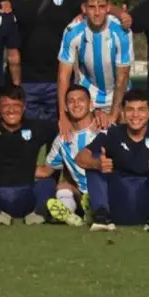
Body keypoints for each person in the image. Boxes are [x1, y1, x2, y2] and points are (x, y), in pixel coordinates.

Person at [75, 90, 149, 231]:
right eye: (130, 110)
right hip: (118, 202)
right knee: (94, 163)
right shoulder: (112, 134)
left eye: (141, 110)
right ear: (122, 113)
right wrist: (97, 164)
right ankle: (101, 217)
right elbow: (80, 157)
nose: (135, 115)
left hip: (148, 202)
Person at [0, 0, 85, 121]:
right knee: (24, 139)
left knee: (59, 135)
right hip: (24, 81)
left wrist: (121, 15)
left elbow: (99, 4)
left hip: (59, 81)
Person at [0, 84, 65, 226]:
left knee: (47, 184)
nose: (11, 110)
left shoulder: (37, 127)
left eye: (16, 105)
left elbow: (64, 135)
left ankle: (39, 212)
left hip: (26, 195)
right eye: (5, 105)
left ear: (24, 107)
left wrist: (50, 166)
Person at [57, 0, 132, 130]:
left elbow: (122, 77)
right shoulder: (72, 31)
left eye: (101, 6)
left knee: (122, 140)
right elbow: (63, 76)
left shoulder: (122, 32)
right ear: (84, 9)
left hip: (119, 94)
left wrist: (113, 115)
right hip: (89, 95)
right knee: (78, 138)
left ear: (108, 7)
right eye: (92, 7)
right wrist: (63, 116)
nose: (97, 12)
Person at [39, 84, 99, 227]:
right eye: (71, 101)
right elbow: (46, 170)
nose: (76, 104)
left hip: (106, 190)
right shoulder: (62, 139)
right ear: (65, 107)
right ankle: (69, 213)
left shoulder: (103, 129)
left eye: (81, 100)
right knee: (63, 186)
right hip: (81, 194)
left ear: (91, 104)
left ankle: (94, 207)